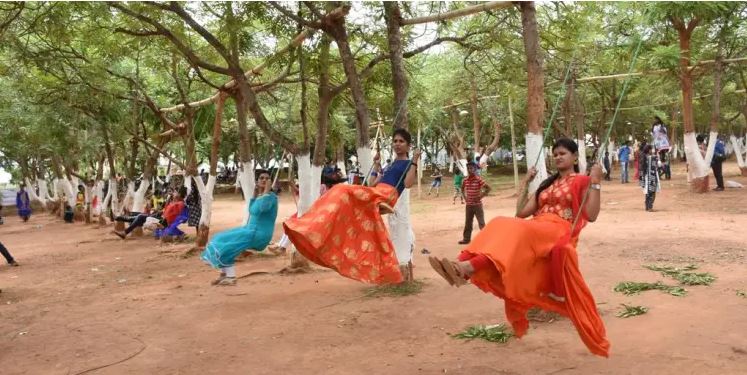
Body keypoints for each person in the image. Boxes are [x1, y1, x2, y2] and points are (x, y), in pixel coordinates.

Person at [428, 138, 609, 357]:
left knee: (515, 229)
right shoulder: (548, 183)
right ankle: (464, 268)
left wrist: (596, 181)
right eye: (555, 153)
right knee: (501, 223)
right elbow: (522, 212)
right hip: (537, 226)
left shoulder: (581, 180)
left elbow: (591, 214)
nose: (558, 156)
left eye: (562, 153)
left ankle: (465, 269)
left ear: (574, 157)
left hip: (558, 230)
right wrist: (526, 183)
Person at [283, 129, 420, 284]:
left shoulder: (408, 164)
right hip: (374, 191)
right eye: (395, 141)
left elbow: (408, 184)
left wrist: (415, 160)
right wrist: (376, 165)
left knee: (340, 189)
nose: (397, 144)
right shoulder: (391, 164)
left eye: (401, 141)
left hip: (385, 196)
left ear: (408, 146)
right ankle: (314, 227)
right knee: (339, 193)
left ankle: (312, 226)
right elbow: (372, 184)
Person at [201, 170, 279, 286]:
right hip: (249, 230)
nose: (264, 180)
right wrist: (255, 194)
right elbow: (252, 210)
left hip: (259, 234)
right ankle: (224, 275)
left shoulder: (271, 198)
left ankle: (231, 277)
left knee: (229, 246)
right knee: (220, 238)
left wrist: (267, 191)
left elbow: (262, 208)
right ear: (257, 181)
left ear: (270, 182)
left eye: (267, 178)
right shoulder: (260, 196)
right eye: (261, 178)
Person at [459, 161, 491, 245]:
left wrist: (481, 196)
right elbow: (462, 189)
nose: (470, 170)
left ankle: (486, 239)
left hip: (477, 205)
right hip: (469, 205)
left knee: (481, 223)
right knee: (468, 223)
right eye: (468, 168)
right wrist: (465, 197)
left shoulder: (478, 179)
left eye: (472, 168)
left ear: (475, 169)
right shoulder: (465, 180)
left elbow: (488, 188)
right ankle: (466, 239)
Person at [640, 145, 660, 211]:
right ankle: (650, 207)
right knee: (652, 192)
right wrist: (657, 155)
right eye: (651, 149)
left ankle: (647, 206)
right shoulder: (651, 158)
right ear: (649, 150)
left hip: (646, 177)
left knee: (647, 193)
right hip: (651, 178)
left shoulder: (643, 157)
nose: (652, 151)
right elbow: (658, 164)